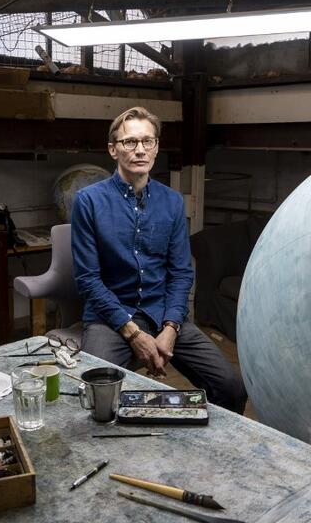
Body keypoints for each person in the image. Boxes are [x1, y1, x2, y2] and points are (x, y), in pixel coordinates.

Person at [71, 106, 248, 413]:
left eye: (147, 141)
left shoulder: (172, 202)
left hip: (162, 312)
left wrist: (171, 328)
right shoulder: (88, 202)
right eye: (129, 142)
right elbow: (88, 279)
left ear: (156, 147)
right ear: (113, 149)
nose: (140, 150)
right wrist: (133, 333)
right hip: (110, 319)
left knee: (231, 387)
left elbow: (181, 273)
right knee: (94, 399)